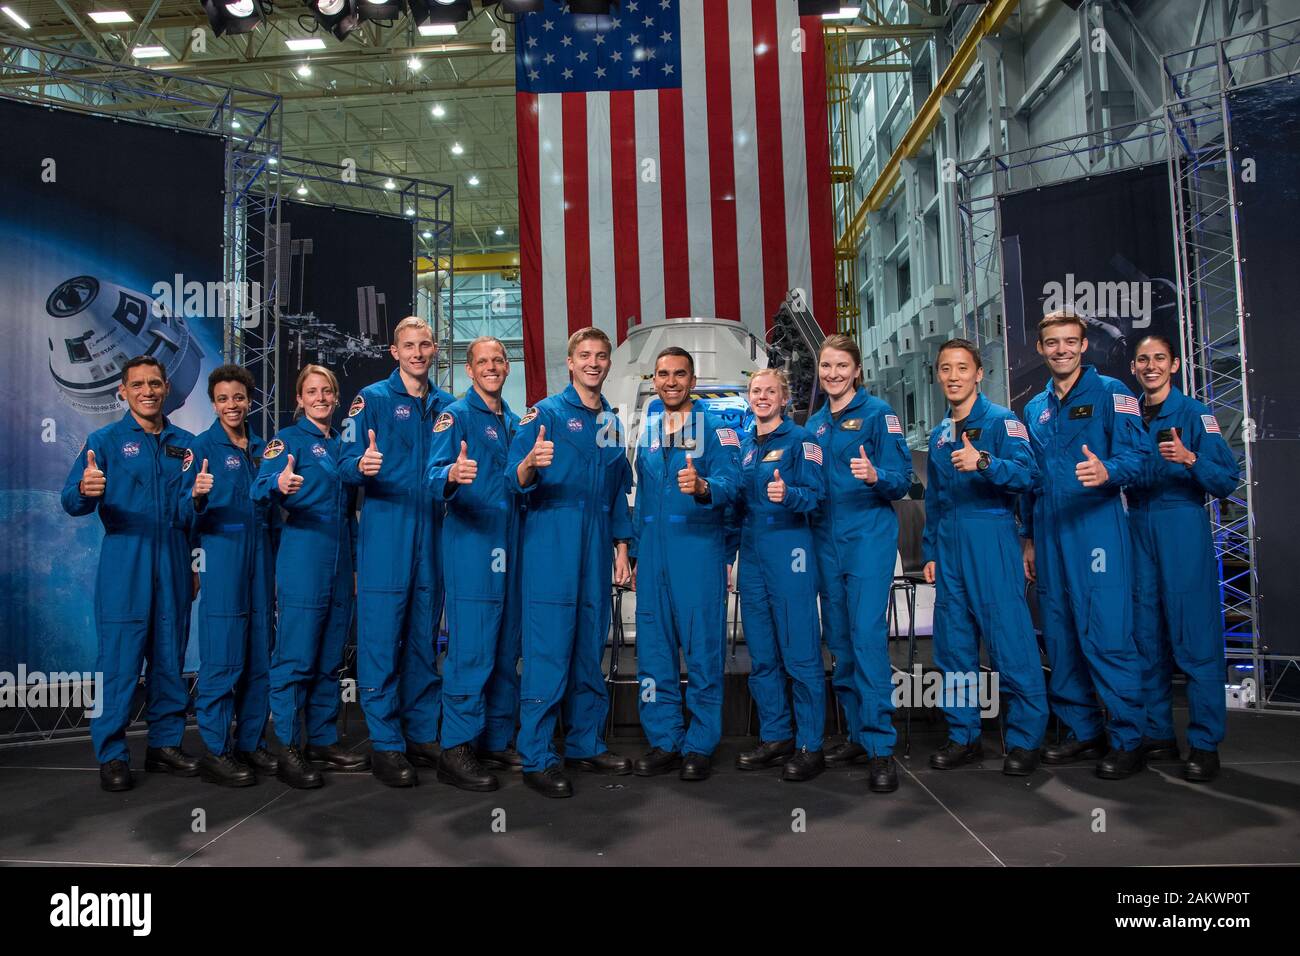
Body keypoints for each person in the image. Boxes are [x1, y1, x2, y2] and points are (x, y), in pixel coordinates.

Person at [1021, 310, 1151, 779]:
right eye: (1051, 343)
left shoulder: (1114, 394)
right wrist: (1029, 538)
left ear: (1082, 346)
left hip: (1096, 528)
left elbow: (1140, 457)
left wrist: (1109, 472)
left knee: (1106, 634)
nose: (1061, 350)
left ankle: (1128, 737)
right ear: (1040, 348)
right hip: (1050, 530)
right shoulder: (1034, 409)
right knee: (1059, 634)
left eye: (1069, 342)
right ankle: (1083, 730)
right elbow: (1031, 481)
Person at [62, 355, 200, 792]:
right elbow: (71, 499)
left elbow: (190, 513)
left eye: (154, 384)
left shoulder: (186, 443)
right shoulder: (102, 440)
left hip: (174, 561)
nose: (147, 391)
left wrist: (196, 514)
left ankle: (164, 746)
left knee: (168, 659)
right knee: (119, 664)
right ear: (123, 391)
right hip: (126, 560)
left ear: (165, 389)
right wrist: (86, 491)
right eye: (137, 385)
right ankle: (113, 753)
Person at [506, 327, 634, 798]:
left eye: (601, 356)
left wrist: (623, 548)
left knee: (587, 649)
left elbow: (618, 492)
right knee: (548, 651)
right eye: (585, 355)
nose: (594, 363)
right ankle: (538, 756)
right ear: (571, 361)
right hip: (551, 544)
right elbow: (510, 477)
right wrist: (530, 465)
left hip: (597, 544)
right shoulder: (545, 414)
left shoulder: (613, 423)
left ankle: (585, 743)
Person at [921, 340, 1048, 776]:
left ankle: (1026, 738)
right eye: (945, 369)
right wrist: (932, 551)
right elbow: (935, 502)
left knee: (1009, 642)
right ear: (938, 376)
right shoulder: (939, 436)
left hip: (991, 535)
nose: (953, 376)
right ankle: (964, 735)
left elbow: (1029, 476)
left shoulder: (1002, 422)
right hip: (951, 548)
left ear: (979, 374)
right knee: (954, 648)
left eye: (962, 368)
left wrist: (986, 463)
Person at [339, 316, 455, 787]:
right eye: (408, 345)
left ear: (434, 350)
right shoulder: (372, 399)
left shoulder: (448, 405)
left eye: (425, 344)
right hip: (386, 532)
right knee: (382, 640)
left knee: (426, 640)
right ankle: (386, 744)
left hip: (434, 533)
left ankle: (422, 732)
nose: (417, 353)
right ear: (394, 351)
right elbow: (343, 461)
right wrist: (360, 466)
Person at [1127, 334, 1238, 782]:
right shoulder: (1127, 413)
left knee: (1195, 637)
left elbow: (1227, 480)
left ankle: (1205, 742)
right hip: (1136, 525)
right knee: (1146, 638)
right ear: (1133, 368)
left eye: (1159, 359)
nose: (1150, 366)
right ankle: (1158, 732)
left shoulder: (1195, 414)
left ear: (1174, 364)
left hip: (1181, 525)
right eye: (1142, 360)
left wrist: (1191, 458)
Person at [251, 365, 367, 788]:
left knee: (329, 657)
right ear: (299, 399)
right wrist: (278, 484)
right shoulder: (287, 441)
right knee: (296, 656)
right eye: (311, 392)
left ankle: (320, 739)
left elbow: (349, 513)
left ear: (336, 399)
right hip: (303, 554)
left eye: (327, 392)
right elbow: (258, 489)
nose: (320, 398)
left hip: (338, 560)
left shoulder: (342, 446)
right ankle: (288, 746)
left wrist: (353, 566)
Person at [630, 347, 742, 782]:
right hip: (655, 555)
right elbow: (642, 501)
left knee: (702, 651)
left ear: (692, 381)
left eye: (679, 374)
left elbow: (733, 485)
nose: (671, 381)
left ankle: (698, 743)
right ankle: (664, 740)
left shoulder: (717, 429)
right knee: (654, 654)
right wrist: (637, 553)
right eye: (663, 374)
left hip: (697, 549)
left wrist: (702, 487)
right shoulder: (651, 429)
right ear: (653, 380)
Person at [806, 334, 912, 793]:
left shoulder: (878, 416)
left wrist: (877, 475)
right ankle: (854, 733)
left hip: (866, 540)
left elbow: (903, 480)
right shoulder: (812, 427)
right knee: (841, 641)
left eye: (841, 366)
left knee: (867, 640)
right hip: (824, 541)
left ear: (856, 371)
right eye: (826, 366)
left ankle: (881, 747)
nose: (832, 374)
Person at [426, 336, 523, 792]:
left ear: (507, 367)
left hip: (510, 545)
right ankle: (456, 748)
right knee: (472, 648)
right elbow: (431, 474)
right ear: (469, 370)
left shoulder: (516, 421)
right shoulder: (457, 416)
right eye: (482, 361)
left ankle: (495, 738)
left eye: (498, 360)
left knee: (505, 646)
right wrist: (450, 474)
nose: (491, 367)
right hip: (472, 545)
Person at [178, 364, 279, 787]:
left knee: (259, 656)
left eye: (238, 397)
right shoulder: (201, 450)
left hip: (262, 559)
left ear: (250, 399)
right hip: (222, 556)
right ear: (213, 403)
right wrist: (196, 497)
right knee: (223, 657)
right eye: (223, 398)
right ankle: (218, 750)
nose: (231, 405)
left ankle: (250, 743)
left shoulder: (264, 449)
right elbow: (180, 514)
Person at [731, 368, 828, 781]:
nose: (762, 397)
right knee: (764, 655)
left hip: (791, 552)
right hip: (753, 554)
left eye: (770, 391)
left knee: (800, 653)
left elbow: (818, 495)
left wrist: (788, 495)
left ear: (785, 398)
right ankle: (776, 736)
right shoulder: (744, 447)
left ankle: (810, 744)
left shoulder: (803, 440)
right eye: (756, 391)